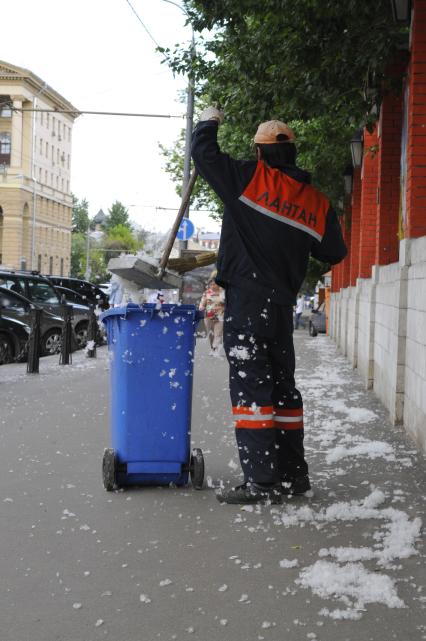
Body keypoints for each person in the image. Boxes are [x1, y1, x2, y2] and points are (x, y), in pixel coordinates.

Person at [191, 108, 347, 505]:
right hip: (281, 309)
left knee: (252, 391)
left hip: (248, 303)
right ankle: (294, 476)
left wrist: (209, 120)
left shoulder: (248, 179)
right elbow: (334, 251)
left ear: (259, 154)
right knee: (283, 391)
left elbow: (204, 154)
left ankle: (262, 482)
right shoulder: (316, 202)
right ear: (292, 154)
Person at [198, 275, 225, 355]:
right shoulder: (207, 293)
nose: (213, 286)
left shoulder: (223, 292)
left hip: (220, 315)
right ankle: (212, 347)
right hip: (208, 316)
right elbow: (203, 302)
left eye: (215, 284)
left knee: (218, 333)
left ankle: (215, 349)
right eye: (211, 285)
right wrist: (201, 307)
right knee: (210, 333)